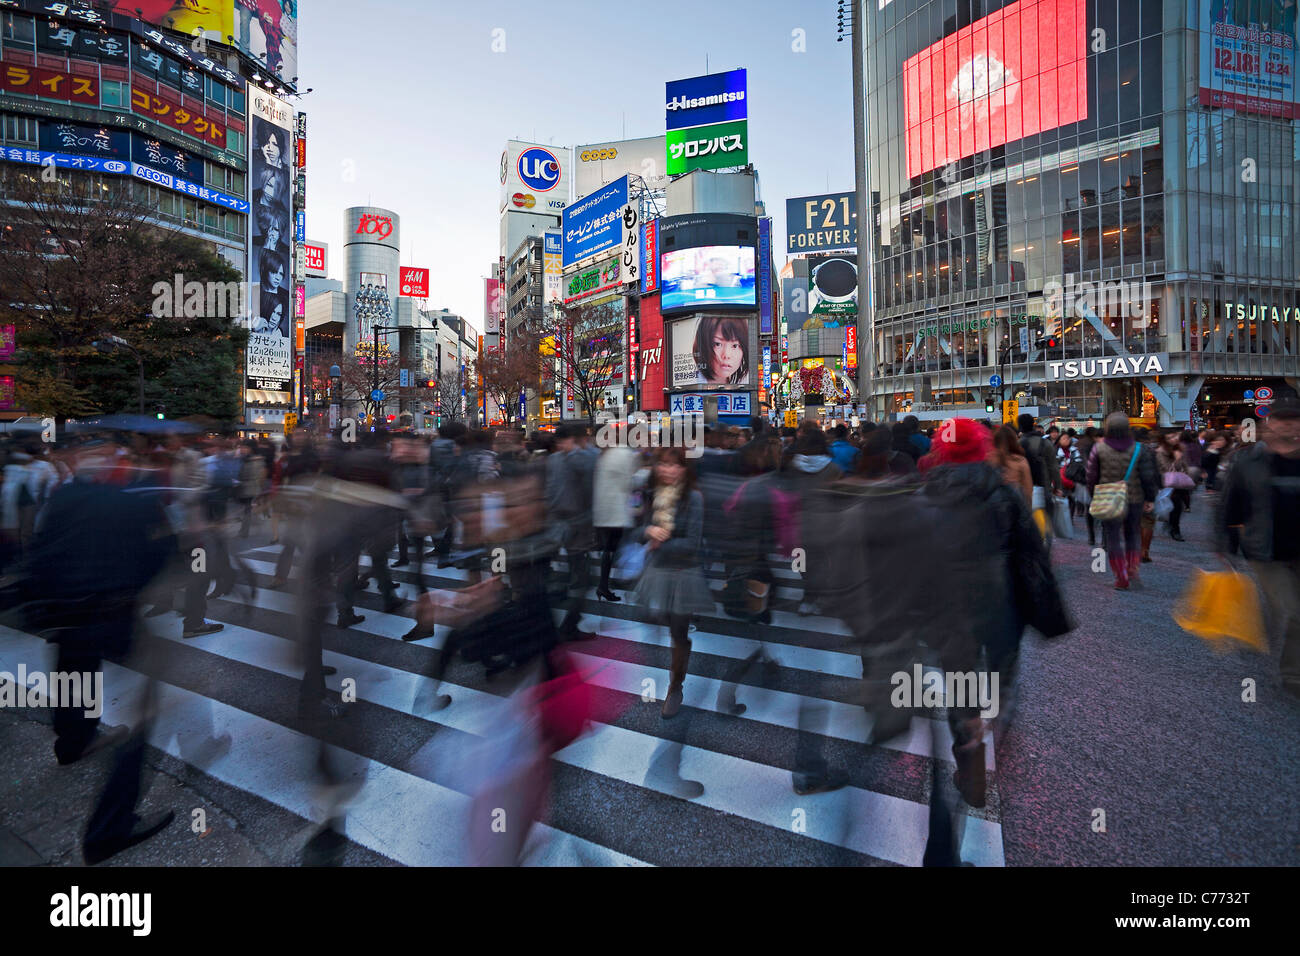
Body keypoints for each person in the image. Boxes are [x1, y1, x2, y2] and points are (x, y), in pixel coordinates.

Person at [1215, 394, 1300, 699]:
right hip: (1266, 552)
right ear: (1269, 424)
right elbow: (1229, 506)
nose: (1292, 427)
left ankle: (1260, 625)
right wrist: (1224, 545)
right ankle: (1293, 675)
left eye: (1296, 421)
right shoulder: (1248, 462)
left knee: (1286, 609)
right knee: (1294, 612)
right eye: (1284, 420)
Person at [634, 447, 713, 721]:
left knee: (678, 631)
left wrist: (659, 542)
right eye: (663, 465)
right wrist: (647, 531)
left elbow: (692, 543)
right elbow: (637, 530)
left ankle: (675, 686)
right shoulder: (652, 494)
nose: (668, 470)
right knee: (666, 621)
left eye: (674, 465)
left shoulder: (694, 498)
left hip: (683, 573)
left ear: (684, 469)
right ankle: (678, 669)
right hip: (657, 573)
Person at [1085, 412, 1158, 589]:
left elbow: (1090, 475)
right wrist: (1150, 498)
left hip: (1108, 498)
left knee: (1112, 537)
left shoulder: (1099, 448)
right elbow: (1148, 476)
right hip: (1135, 498)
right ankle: (1132, 569)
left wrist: (1093, 495)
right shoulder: (1140, 449)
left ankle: (1120, 577)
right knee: (1132, 534)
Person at [592, 435, 643, 601]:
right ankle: (613, 582)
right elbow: (631, 482)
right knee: (617, 547)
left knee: (609, 549)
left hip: (603, 512)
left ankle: (603, 585)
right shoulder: (624, 453)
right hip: (617, 511)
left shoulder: (603, 455)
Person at [1155, 430, 1192, 542]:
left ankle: (1172, 525)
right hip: (1167, 482)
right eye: (1169, 438)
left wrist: (1186, 474)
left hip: (1180, 482)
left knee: (1178, 506)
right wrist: (1177, 459)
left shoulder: (1179, 449)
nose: (1173, 439)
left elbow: (1185, 465)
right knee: (1175, 506)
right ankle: (1175, 530)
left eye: (1174, 436)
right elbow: (1166, 469)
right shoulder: (1161, 452)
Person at [691, 315, 748, 386]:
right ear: (703, 345)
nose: (726, 355)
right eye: (717, 344)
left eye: (735, 346)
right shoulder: (690, 384)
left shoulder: (744, 386)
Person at [988, 424, 1033, 505]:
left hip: (993, 508)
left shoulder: (989, 459)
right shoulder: (1020, 460)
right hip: (1016, 507)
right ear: (1013, 440)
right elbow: (1028, 490)